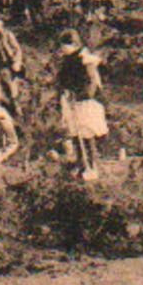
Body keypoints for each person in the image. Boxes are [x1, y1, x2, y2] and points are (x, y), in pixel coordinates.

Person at [54, 30, 107, 180]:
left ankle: (92, 165)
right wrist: (65, 93)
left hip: (86, 102)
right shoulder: (67, 59)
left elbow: (91, 82)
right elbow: (62, 79)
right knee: (76, 134)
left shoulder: (85, 58)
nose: (63, 49)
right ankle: (82, 163)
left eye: (66, 46)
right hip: (72, 101)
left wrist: (82, 95)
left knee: (86, 133)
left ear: (74, 44)